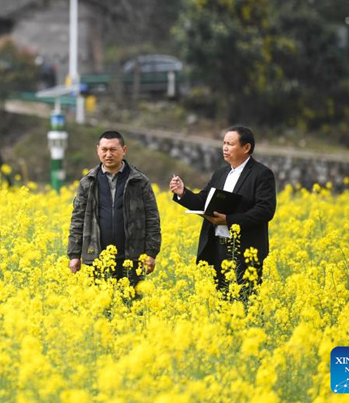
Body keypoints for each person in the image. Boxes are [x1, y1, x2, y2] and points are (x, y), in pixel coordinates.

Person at [169, 126, 276, 294]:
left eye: (230, 144)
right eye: (224, 143)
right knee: (222, 302)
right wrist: (183, 192)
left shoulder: (261, 174)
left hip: (246, 251)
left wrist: (229, 220)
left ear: (246, 147)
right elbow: (203, 201)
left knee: (246, 301)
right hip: (219, 248)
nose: (225, 148)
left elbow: (265, 210)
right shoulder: (221, 173)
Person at [67, 131, 161, 285]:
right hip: (96, 259)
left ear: (124, 150)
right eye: (104, 150)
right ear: (98, 150)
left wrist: (151, 253)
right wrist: (74, 255)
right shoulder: (88, 182)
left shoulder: (139, 181)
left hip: (132, 259)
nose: (108, 154)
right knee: (98, 307)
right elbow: (78, 220)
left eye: (113, 149)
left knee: (131, 306)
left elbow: (152, 219)